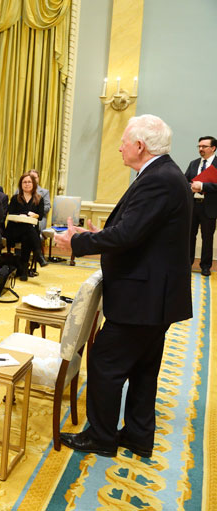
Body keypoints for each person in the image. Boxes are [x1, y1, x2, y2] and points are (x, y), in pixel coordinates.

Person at [56, 114, 192, 459]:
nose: (119, 147)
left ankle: (101, 436)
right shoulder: (164, 175)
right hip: (155, 294)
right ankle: (137, 435)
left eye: (123, 141)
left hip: (142, 296)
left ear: (140, 146)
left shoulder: (158, 179)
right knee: (144, 367)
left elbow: (128, 234)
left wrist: (80, 242)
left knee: (105, 360)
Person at [3, 173, 48, 280]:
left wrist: (33, 215)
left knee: (27, 236)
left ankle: (23, 271)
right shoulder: (15, 198)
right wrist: (27, 213)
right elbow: (11, 213)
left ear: (34, 184)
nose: (27, 184)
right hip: (14, 230)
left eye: (29, 182)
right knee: (29, 230)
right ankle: (38, 255)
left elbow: (40, 216)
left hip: (28, 231)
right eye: (24, 182)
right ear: (21, 184)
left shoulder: (39, 199)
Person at [185, 135, 217, 276]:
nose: (201, 149)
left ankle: (205, 266)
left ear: (213, 148)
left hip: (209, 206)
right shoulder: (193, 163)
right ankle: (188, 263)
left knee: (207, 237)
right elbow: (185, 180)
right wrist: (190, 186)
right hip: (193, 205)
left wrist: (203, 185)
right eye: (199, 146)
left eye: (204, 146)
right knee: (189, 236)